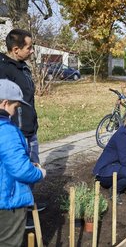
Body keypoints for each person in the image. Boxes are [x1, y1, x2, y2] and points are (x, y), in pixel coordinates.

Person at [0, 30, 45, 224]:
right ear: (16, 49)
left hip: (29, 128)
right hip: (16, 131)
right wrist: (14, 130)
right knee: (20, 170)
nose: (33, 51)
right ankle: (19, 214)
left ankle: (27, 206)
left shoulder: (22, 67)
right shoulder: (4, 70)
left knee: (31, 166)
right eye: (29, 47)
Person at [0, 79, 46, 246]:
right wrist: (39, 173)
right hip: (7, 201)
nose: (14, 113)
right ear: (5, 103)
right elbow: (20, 170)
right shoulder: (6, 130)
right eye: (15, 107)